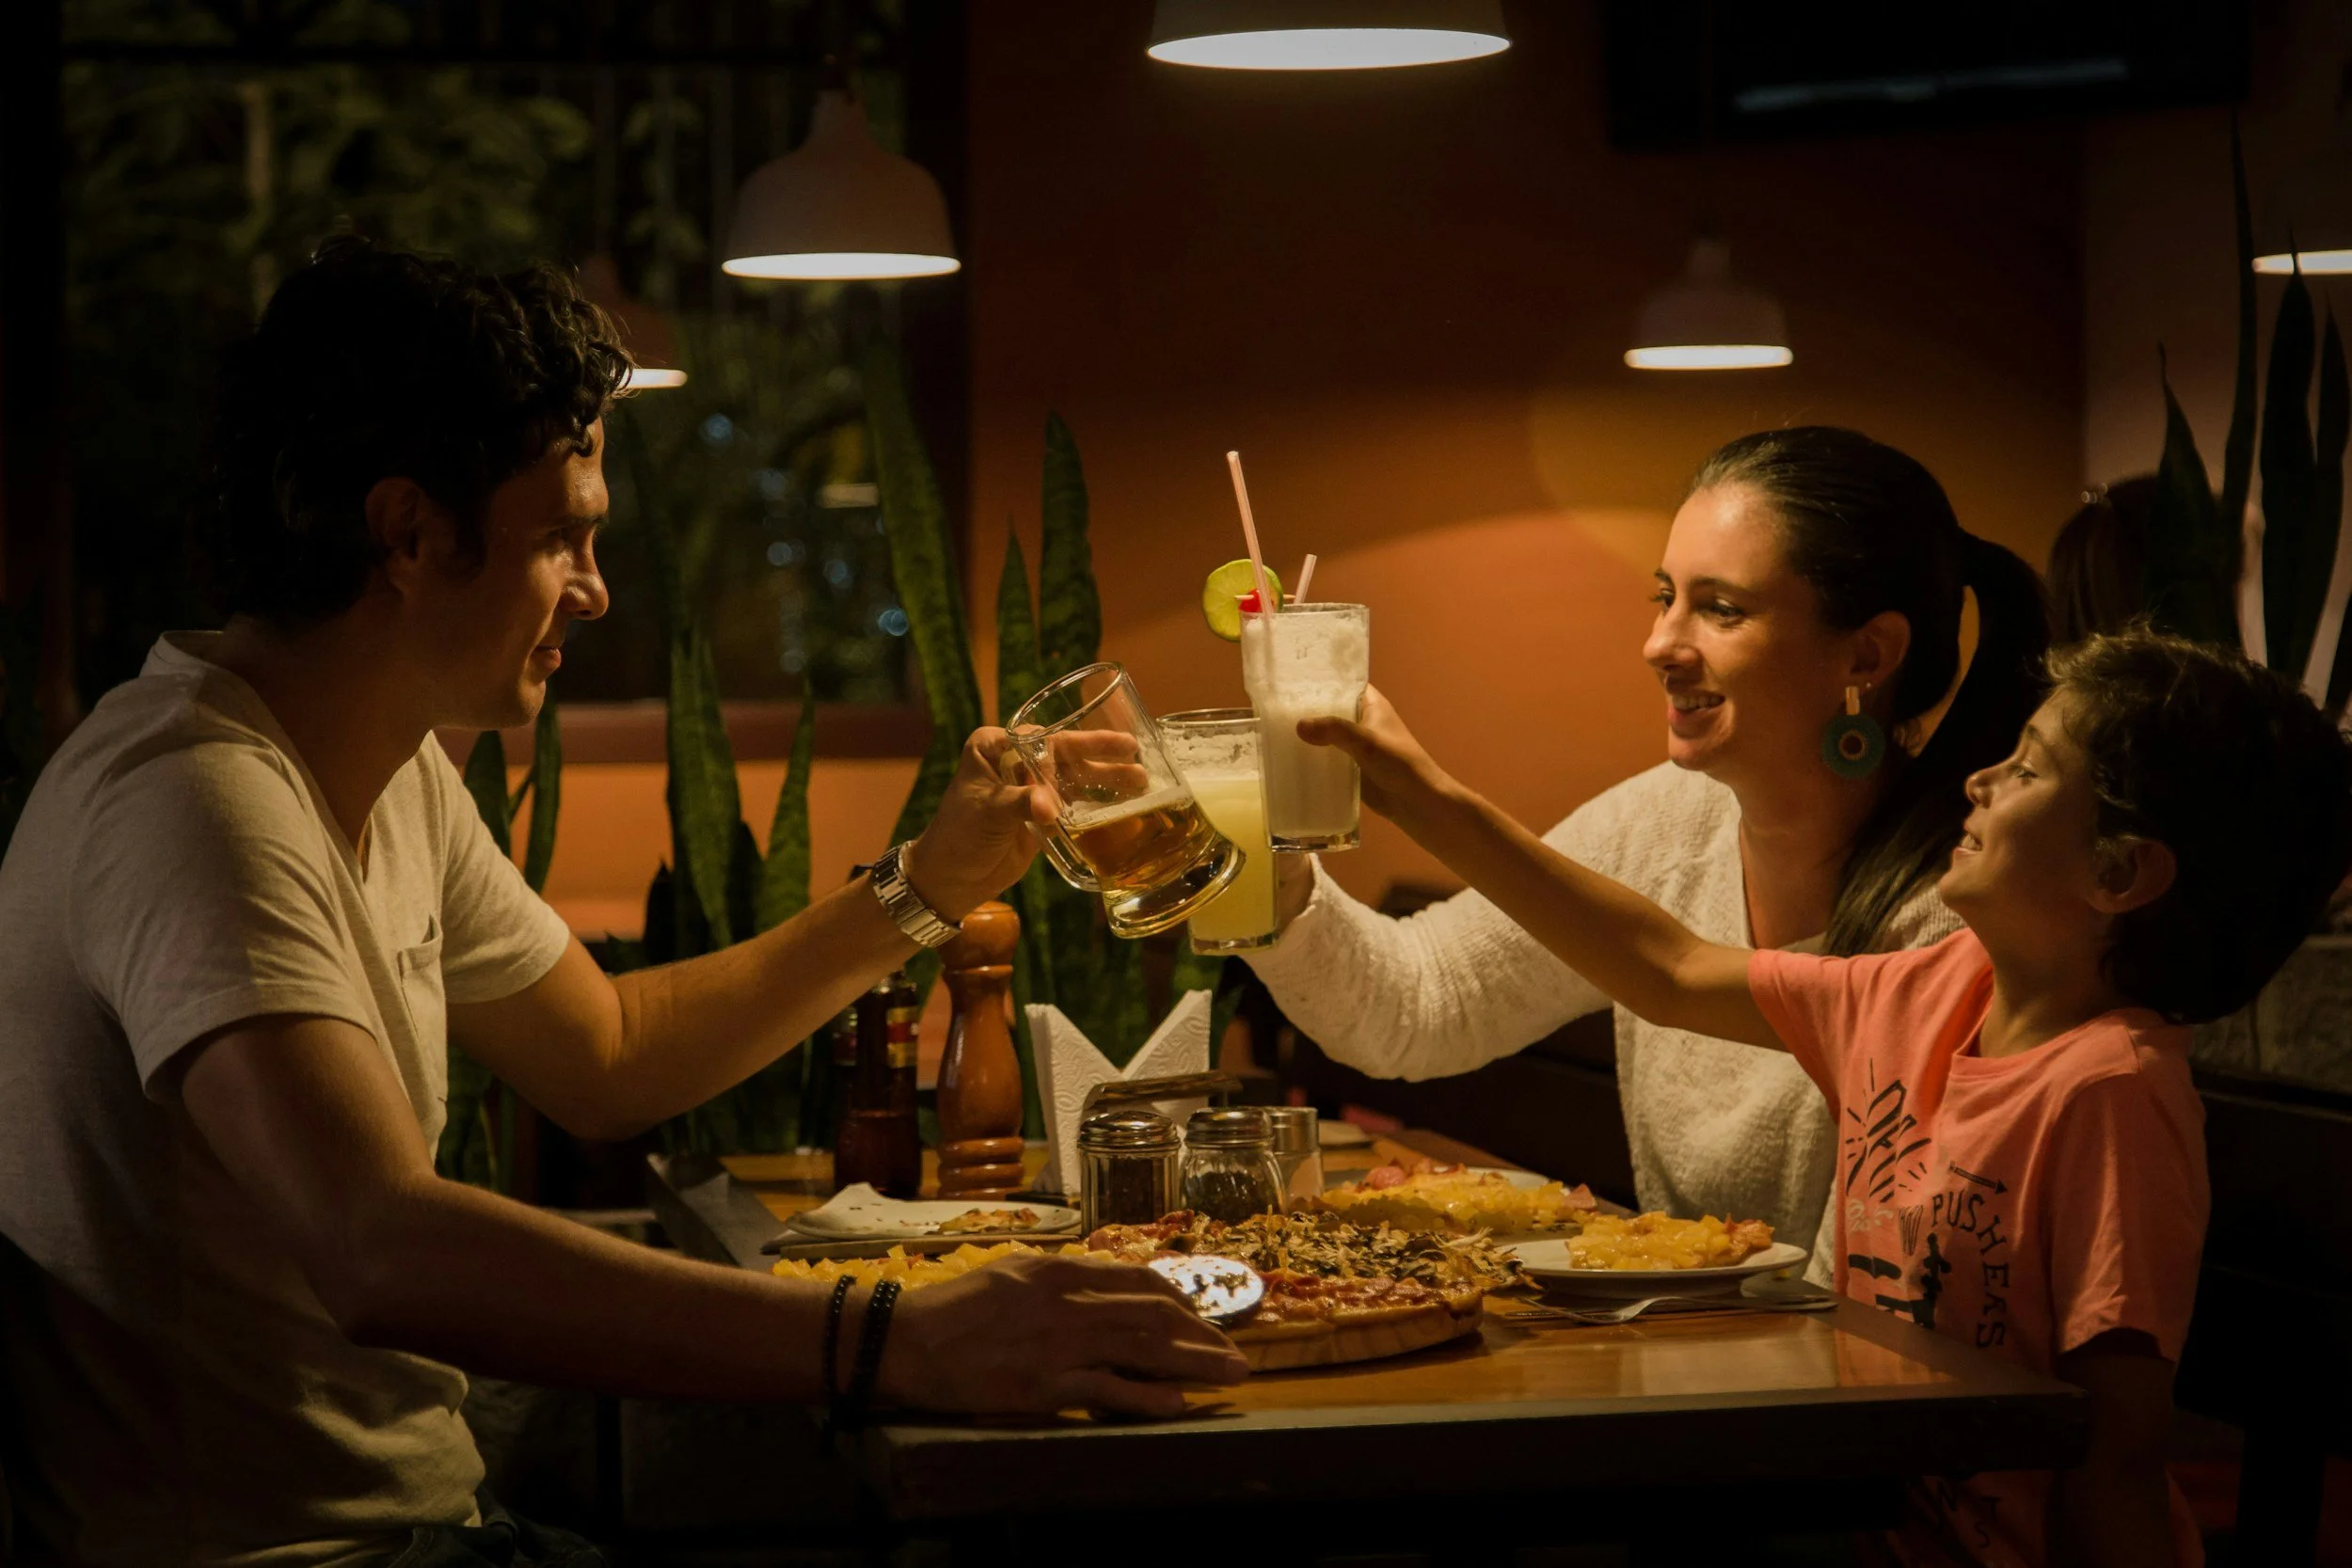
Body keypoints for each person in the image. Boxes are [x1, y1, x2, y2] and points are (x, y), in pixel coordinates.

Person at [0, 241, 1245, 1568]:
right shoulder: (192, 801)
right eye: (560, 536)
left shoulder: (384, 759)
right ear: (408, 532)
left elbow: (607, 1053)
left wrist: (925, 886)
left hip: (431, 1528)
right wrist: (898, 1339)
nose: (593, 587)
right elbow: (382, 1245)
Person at [1298, 630, 2352, 1567]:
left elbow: (2117, 1452)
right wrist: (1426, 798)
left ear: (2119, 871)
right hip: (1865, 1514)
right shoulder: (1930, 988)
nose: (1978, 777)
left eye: (2027, 769)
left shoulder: (2110, 1094)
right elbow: (1663, 966)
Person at [1246, 428, 2051, 1276]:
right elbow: (1416, 1005)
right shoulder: (1666, 823)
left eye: (1721, 608)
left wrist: (1427, 799)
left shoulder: (1957, 904)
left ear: (1867, 652)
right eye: (1664, 596)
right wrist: (1251, 856)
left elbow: (1872, 1292)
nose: (1660, 643)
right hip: (1684, 1356)